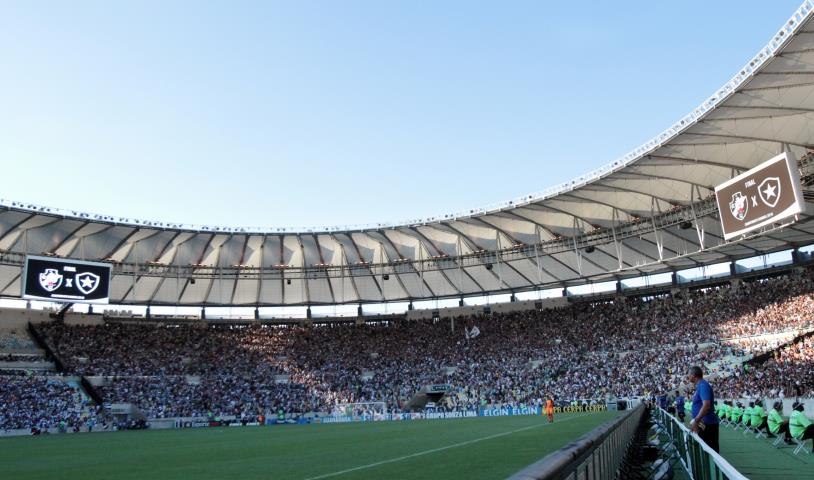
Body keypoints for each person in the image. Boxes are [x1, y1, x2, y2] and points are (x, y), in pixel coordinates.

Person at [688, 365, 720, 452]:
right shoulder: (700, 385)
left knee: (711, 452)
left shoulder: (703, 385)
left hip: (707, 425)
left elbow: (706, 405)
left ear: (694, 376)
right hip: (704, 424)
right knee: (706, 451)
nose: (688, 377)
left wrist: (696, 420)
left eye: (689, 374)